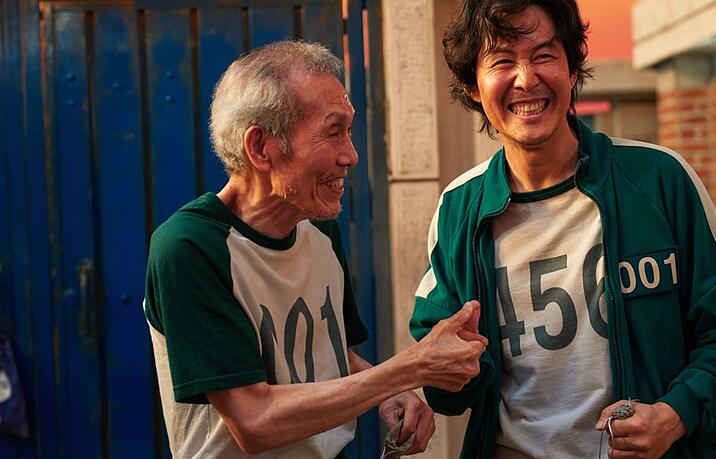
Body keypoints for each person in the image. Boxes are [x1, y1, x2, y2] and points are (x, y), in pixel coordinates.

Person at [409, 1, 716, 458]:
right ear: (472, 86)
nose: (526, 79)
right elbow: (444, 378)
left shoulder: (658, 179)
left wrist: (674, 416)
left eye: (544, 55)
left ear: (572, 68)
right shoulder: (460, 208)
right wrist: (444, 371)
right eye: (501, 61)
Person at [143, 40, 488, 458]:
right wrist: (408, 369)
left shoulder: (318, 227)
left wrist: (388, 392)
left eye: (349, 130)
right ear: (261, 147)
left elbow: (330, 354)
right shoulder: (190, 248)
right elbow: (254, 421)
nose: (351, 155)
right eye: (332, 132)